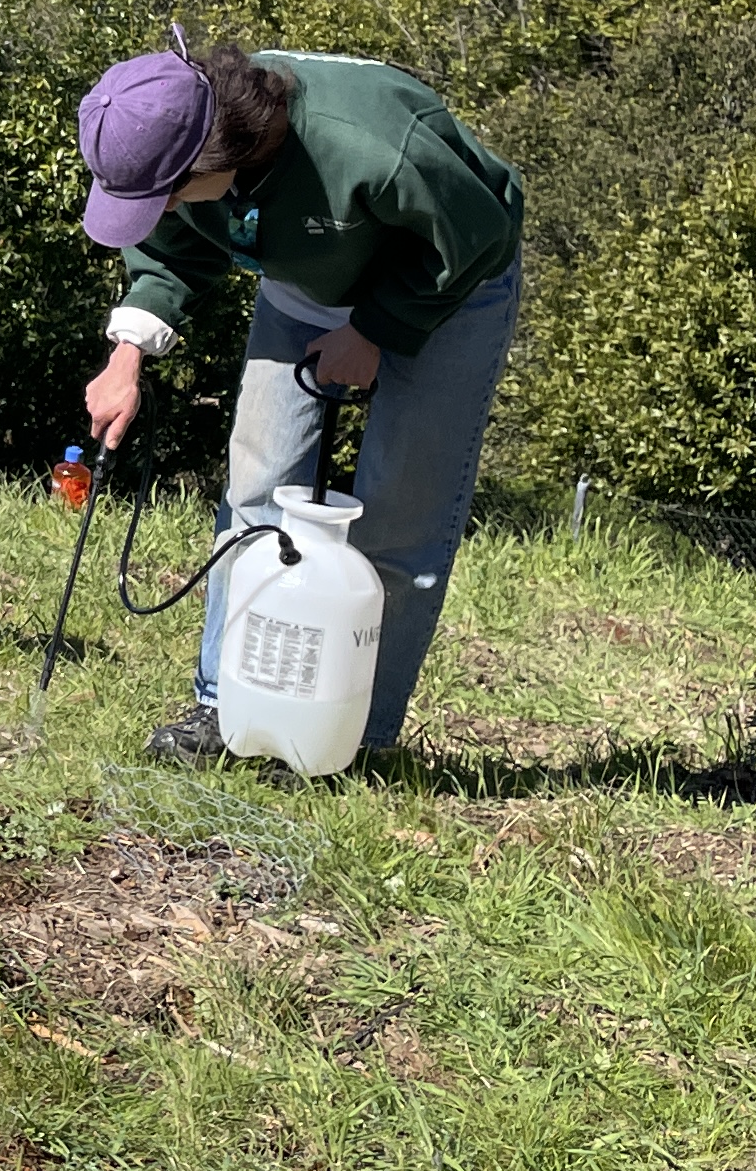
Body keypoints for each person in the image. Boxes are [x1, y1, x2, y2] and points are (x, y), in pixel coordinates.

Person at [77, 38, 523, 773]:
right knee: (255, 489)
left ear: (218, 152)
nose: (164, 207)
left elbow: (475, 234)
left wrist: (376, 329)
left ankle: (358, 740)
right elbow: (172, 250)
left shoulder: (371, 144)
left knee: (397, 516)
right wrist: (127, 354)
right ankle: (224, 706)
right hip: (304, 285)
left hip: (447, 285)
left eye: (169, 192)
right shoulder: (174, 152)